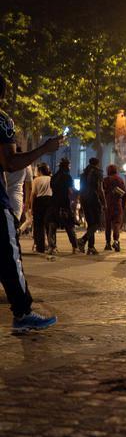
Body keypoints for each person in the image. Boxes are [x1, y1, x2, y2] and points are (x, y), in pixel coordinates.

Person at [0, 73, 62, 331]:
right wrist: (44, 149)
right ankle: (23, 312)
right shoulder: (2, 120)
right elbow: (10, 162)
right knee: (8, 258)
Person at [48, 158, 79, 255]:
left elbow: (52, 188)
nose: (70, 168)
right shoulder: (68, 177)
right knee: (69, 226)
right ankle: (75, 247)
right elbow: (70, 191)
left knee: (52, 226)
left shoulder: (54, 177)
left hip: (54, 203)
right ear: (66, 167)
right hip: (64, 203)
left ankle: (52, 247)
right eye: (69, 166)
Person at [79, 157, 105, 256]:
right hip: (94, 199)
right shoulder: (98, 173)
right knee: (97, 223)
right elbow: (100, 189)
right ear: (97, 164)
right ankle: (83, 240)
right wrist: (104, 202)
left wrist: (81, 203)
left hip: (85, 199)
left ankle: (91, 247)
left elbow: (81, 190)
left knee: (91, 224)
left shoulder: (83, 174)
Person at [5, 146, 31, 235]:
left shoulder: (5, 162)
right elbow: (29, 185)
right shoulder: (26, 164)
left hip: (3, 196)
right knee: (14, 225)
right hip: (16, 199)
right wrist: (27, 202)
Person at [102, 164, 126, 251]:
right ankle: (116, 241)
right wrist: (123, 206)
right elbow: (124, 194)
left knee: (108, 225)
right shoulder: (120, 180)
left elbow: (102, 193)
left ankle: (107, 244)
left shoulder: (105, 180)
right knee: (116, 224)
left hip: (107, 205)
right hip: (117, 205)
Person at [29, 163, 53, 253]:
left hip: (39, 202)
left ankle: (40, 247)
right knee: (49, 225)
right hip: (50, 201)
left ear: (39, 171)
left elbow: (33, 194)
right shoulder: (51, 179)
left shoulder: (36, 180)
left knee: (38, 225)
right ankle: (52, 246)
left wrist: (31, 208)